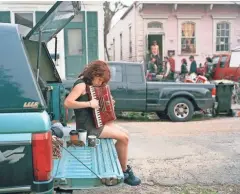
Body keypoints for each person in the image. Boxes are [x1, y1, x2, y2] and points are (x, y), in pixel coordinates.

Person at [64, 60, 141, 186]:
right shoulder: (81, 85)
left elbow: (98, 106)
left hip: (96, 122)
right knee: (124, 138)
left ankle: (118, 166)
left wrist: (109, 103)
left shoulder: (90, 86)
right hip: (88, 127)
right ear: (94, 74)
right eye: (100, 80)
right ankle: (124, 171)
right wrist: (89, 103)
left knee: (125, 134)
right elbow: (67, 103)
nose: (101, 83)